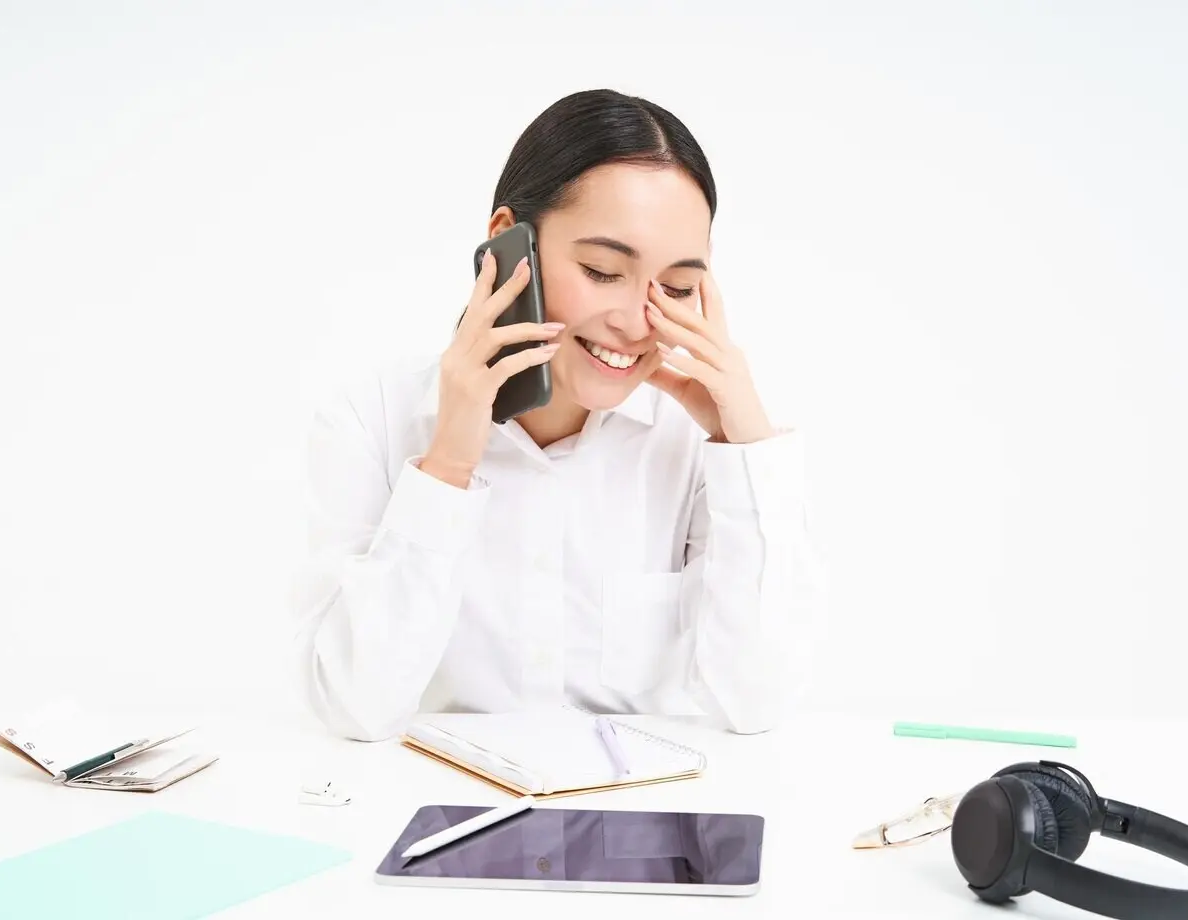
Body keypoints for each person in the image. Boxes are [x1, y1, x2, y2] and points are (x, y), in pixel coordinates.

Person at [290, 88, 818, 743]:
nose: (633, 321)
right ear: (509, 243)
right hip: (443, 823)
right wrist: (449, 462)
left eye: (677, 288)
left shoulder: (697, 444)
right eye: (602, 270)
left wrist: (748, 452)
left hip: (639, 826)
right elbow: (353, 708)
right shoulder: (371, 419)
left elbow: (755, 704)